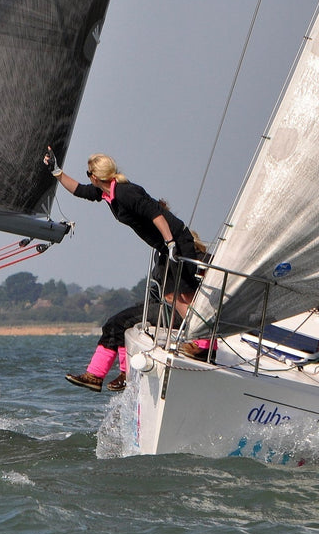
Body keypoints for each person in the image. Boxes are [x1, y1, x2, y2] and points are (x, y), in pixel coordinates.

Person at [44, 148, 209, 391]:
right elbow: (78, 190)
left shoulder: (125, 192)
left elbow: (156, 214)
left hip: (177, 241)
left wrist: (171, 243)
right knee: (170, 295)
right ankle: (102, 376)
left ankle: (203, 344)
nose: (88, 178)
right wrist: (57, 172)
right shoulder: (106, 193)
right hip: (165, 246)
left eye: (88, 173)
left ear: (96, 176)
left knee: (182, 295)